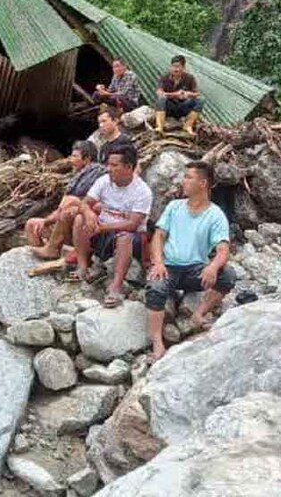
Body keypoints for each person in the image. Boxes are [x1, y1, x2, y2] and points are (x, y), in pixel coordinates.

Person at [145, 161, 235, 360]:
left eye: (188, 177)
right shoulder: (174, 206)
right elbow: (158, 236)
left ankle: (199, 314)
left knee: (227, 275)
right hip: (168, 267)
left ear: (202, 183)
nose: (183, 181)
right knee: (155, 287)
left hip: (195, 270)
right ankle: (157, 343)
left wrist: (212, 267)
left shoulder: (215, 214)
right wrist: (158, 262)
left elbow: (223, 249)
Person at [72, 145, 153, 308]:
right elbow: (85, 203)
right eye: (109, 165)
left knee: (125, 237)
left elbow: (132, 224)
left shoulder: (142, 191)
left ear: (129, 167)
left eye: (114, 165)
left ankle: (116, 286)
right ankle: (82, 267)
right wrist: (88, 214)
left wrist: (101, 228)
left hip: (130, 235)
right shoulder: (104, 181)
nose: (109, 169)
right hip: (103, 227)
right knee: (80, 219)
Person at [25, 140, 107, 260]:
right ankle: (41, 262)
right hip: (66, 221)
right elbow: (62, 207)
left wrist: (72, 203)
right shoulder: (78, 176)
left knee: (69, 208)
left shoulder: (96, 173)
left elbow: (78, 202)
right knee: (32, 224)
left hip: (84, 226)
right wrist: (46, 221)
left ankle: (52, 249)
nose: (70, 159)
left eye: (75, 156)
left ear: (87, 159)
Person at [155, 55, 202, 135]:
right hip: (168, 107)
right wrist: (175, 94)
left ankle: (188, 125)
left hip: (182, 106)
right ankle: (160, 126)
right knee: (161, 99)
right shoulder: (165, 77)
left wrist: (188, 94)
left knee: (200, 101)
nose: (175, 69)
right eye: (173, 66)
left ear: (183, 68)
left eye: (178, 67)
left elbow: (196, 93)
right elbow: (159, 92)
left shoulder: (189, 78)